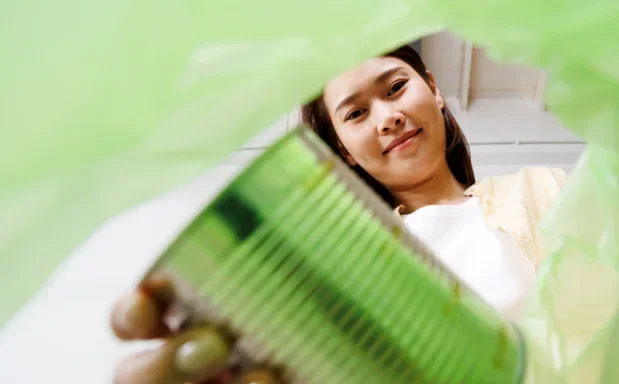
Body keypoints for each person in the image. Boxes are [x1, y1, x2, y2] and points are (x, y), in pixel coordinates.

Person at [110, 45, 567, 383]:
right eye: (356, 114)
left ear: (434, 89)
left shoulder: (546, 187)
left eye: (396, 87)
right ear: (344, 153)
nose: (387, 117)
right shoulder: (337, 273)